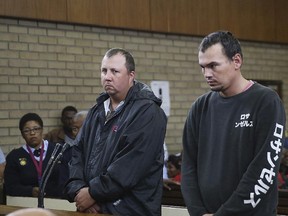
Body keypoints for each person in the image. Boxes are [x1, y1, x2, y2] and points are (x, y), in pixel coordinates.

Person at [181, 31, 286, 216]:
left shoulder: (266, 101)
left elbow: (264, 169)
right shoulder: (200, 107)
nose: (207, 74)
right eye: (203, 67)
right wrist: (198, 212)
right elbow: (189, 167)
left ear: (236, 61)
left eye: (213, 65)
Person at [64, 48, 167, 215]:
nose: (107, 76)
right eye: (104, 71)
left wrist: (92, 194)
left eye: (115, 71)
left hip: (131, 210)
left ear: (131, 75)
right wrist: (78, 190)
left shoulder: (148, 112)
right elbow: (77, 153)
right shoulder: (96, 111)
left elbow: (130, 166)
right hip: (93, 209)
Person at [4, 113, 66, 198]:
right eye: (27, 130)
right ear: (22, 134)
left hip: (58, 202)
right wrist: (30, 191)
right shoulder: (14, 156)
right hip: (27, 204)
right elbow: (10, 187)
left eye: (36, 129)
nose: (32, 133)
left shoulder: (58, 150)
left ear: (42, 130)